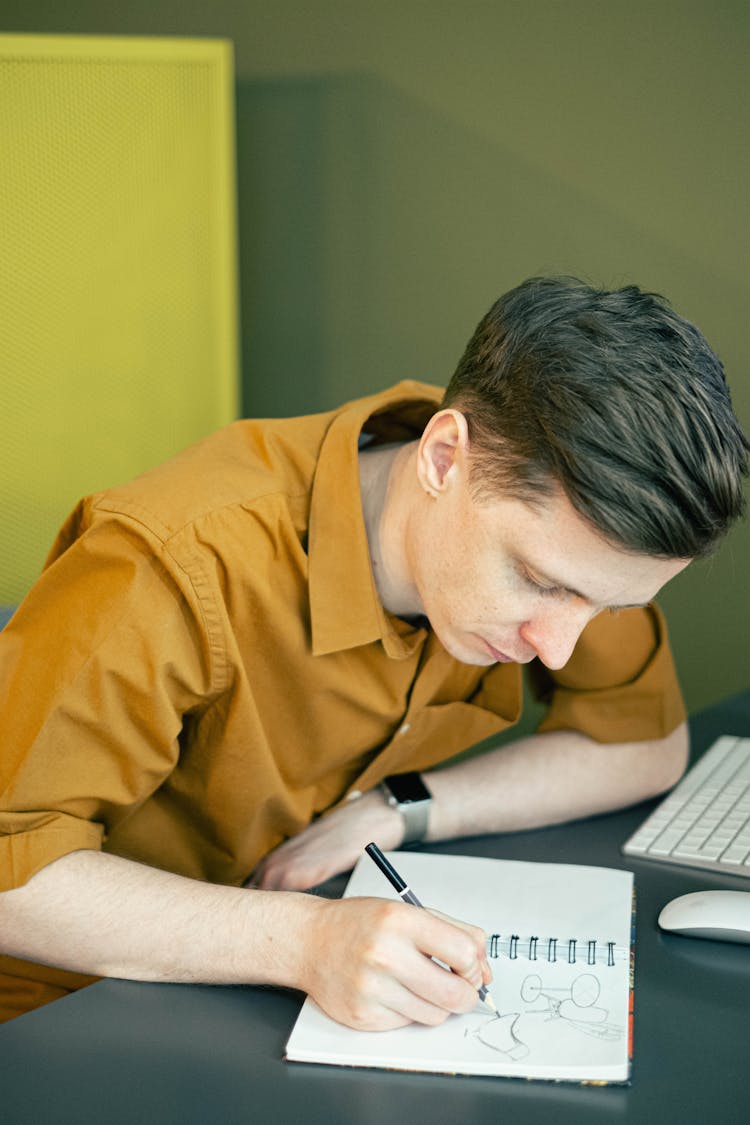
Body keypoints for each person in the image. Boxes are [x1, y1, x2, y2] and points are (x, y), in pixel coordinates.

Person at [0, 276, 747, 1029]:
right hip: (72, 1006)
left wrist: (403, 808)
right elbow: (11, 881)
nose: (555, 645)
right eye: (535, 582)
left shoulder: (569, 522)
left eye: (610, 607)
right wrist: (305, 940)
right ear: (443, 457)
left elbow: (645, 740)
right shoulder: (167, 565)